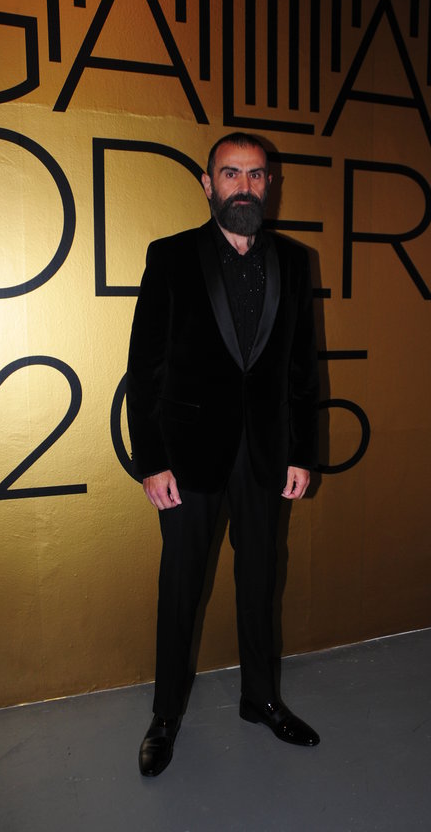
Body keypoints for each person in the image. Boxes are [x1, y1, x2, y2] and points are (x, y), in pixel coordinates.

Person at [126, 132, 320, 777]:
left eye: (256, 175)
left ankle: (260, 700)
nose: (244, 186)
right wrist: (151, 461)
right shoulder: (171, 256)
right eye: (231, 174)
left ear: (270, 185)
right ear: (208, 185)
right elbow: (145, 368)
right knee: (181, 587)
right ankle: (165, 717)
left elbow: (302, 367)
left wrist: (301, 452)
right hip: (187, 459)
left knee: (260, 581)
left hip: (265, 455)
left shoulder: (295, 262)